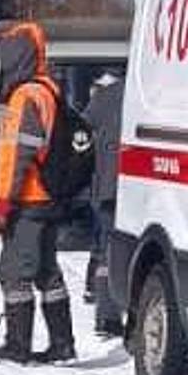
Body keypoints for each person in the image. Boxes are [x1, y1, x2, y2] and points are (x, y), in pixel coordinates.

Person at [0, 22, 76, 364]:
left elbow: (17, 157)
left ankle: (18, 345)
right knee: (47, 271)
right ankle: (63, 344)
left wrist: (2, 202)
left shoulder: (24, 97)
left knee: (15, 271)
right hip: (48, 197)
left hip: (28, 199)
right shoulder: (49, 90)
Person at [83, 68, 125, 337]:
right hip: (142, 187)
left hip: (107, 186)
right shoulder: (154, 94)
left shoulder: (104, 97)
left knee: (106, 250)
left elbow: (83, 132)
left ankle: (106, 317)